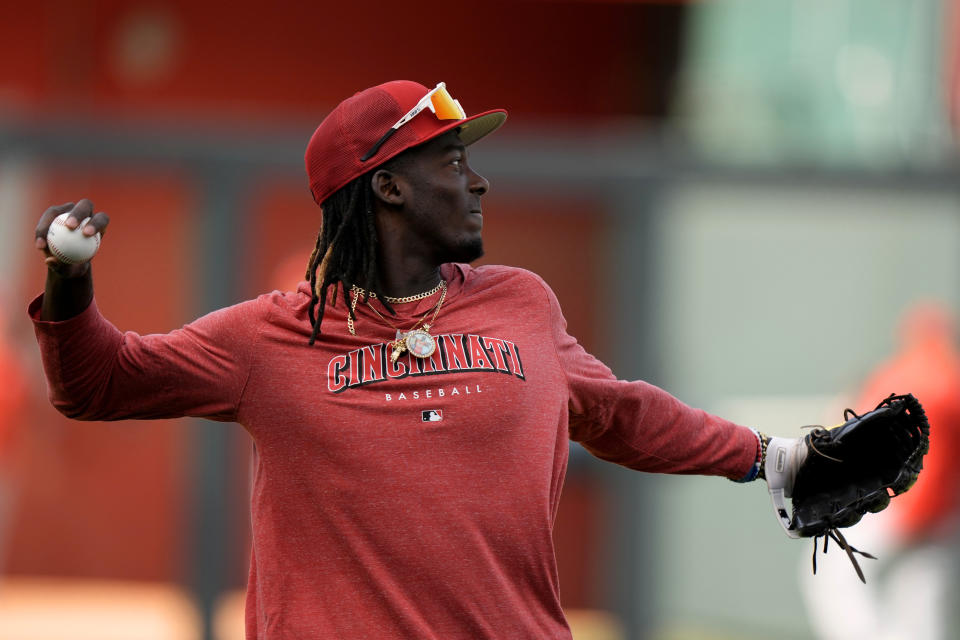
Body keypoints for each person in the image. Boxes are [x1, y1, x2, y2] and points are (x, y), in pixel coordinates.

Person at [30, 80, 765, 639]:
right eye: (451, 162)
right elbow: (100, 382)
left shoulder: (523, 304)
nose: (478, 181)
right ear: (387, 186)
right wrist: (70, 279)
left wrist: (768, 457)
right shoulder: (270, 337)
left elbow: (623, 413)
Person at [801, 303, 960, 640]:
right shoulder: (949, 378)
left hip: (903, 505)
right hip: (944, 512)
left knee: (833, 576)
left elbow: (854, 427)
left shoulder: (902, 375)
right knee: (920, 599)